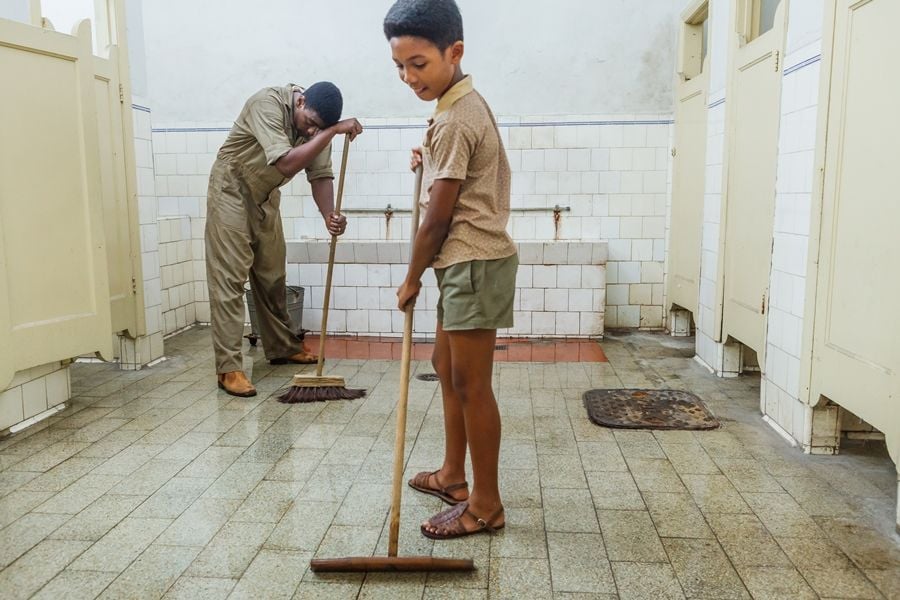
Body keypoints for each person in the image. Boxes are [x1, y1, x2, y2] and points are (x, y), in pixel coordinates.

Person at [385, 0, 519, 539]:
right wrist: (431, 157)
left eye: (418, 64)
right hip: (464, 262)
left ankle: (486, 505)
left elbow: (437, 219)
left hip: (473, 260)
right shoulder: (453, 109)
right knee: (446, 365)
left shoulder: (455, 118)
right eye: (399, 65)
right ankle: (452, 476)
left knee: (471, 384)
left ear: (454, 52)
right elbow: (453, 171)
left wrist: (412, 276)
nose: (407, 76)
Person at [205, 82, 363, 397]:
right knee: (229, 279)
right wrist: (329, 132)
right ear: (300, 101)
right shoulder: (266, 104)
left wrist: (329, 216)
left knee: (272, 275)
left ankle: (282, 347)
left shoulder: (319, 127)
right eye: (308, 124)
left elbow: (319, 176)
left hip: (264, 195)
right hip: (231, 190)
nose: (311, 132)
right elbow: (287, 163)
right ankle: (228, 368)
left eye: (318, 128)